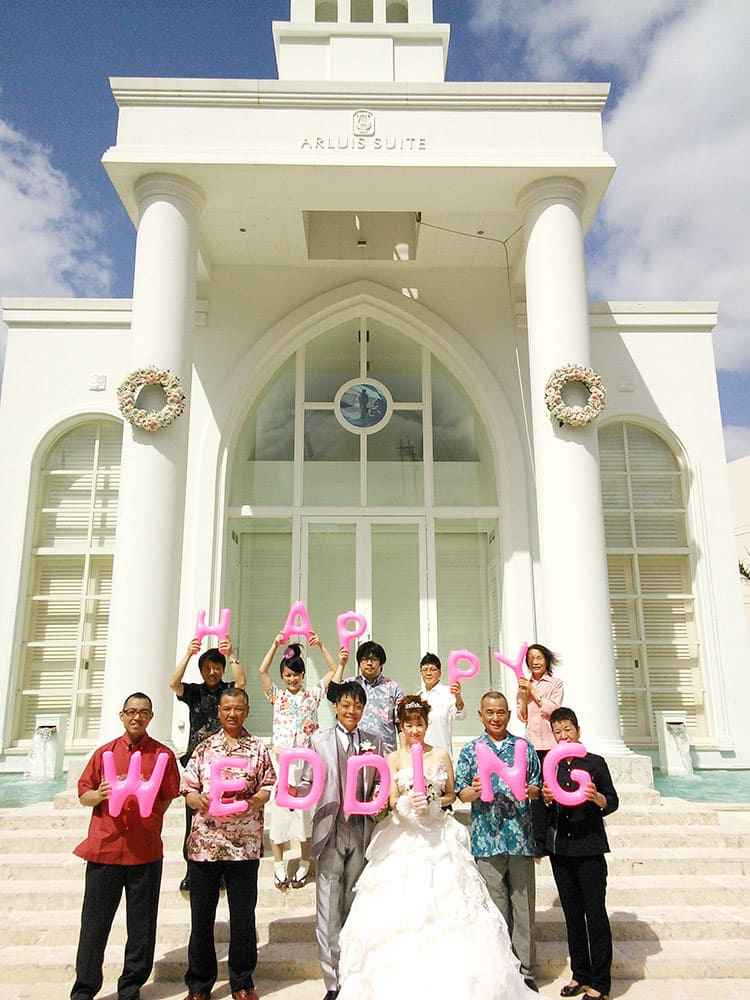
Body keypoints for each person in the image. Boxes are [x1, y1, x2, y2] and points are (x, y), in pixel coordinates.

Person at [337, 695, 539, 1000]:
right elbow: (391, 799)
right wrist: (406, 804)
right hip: (403, 835)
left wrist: (433, 802)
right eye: (409, 725)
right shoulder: (393, 758)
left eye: (419, 724)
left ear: (426, 725)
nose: (414, 730)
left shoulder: (441, 755)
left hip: (438, 832)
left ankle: (517, 969)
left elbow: (451, 795)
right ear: (401, 727)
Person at [70, 692, 180, 1000]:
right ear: (122, 716)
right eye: (131, 711)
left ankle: (130, 988)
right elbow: (84, 794)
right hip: (105, 849)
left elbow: (168, 796)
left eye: (143, 712)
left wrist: (149, 819)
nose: (137, 717)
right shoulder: (105, 753)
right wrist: (100, 795)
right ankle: (84, 989)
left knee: (141, 928)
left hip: (144, 852)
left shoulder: (162, 755)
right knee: (94, 926)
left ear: (151, 717)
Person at [181, 687, 275, 1000]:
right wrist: (197, 799)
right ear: (219, 712)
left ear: (246, 711)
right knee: (201, 917)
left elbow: (268, 786)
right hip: (206, 845)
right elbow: (188, 787)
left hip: (243, 846)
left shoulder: (257, 748)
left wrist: (253, 802)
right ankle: (199, 984)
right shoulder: (205, 748)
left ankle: (242, 982)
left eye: (238, 708)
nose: (232, 714)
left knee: (243, 916)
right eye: (227, 709)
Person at [295, 681, 383, 1000]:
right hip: (331, 828)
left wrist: (378, 798)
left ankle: (354, 972)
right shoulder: (318, 740)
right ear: (336, 707)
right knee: (329, 906)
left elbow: (380, 780)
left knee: (354, 903)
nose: (351, 711)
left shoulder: (374, 740)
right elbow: (308, 781)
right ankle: (333, 982)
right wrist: (295, 793)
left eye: (357, 706)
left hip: (361, 829)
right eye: (346, 705)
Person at [455, 691, 542, 992]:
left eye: (501, 712)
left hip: (520, 838)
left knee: (523, 907)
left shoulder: (523, 748)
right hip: (487, 839)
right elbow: (461, 793)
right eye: (490, 712)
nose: (496, 717)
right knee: (494, 909)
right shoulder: (471, 750)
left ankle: (526, 971)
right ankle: (502, 969)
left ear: (508, 714)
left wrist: (530, 791)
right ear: (480, 715)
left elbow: (537, 787)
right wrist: (476, 790)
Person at [259, 629, 346, 889]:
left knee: (306, 813)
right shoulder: (278, 696)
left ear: (303, 674)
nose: (292, 679)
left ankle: (305, 860)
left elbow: (334, 669)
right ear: (283, 676)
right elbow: (262, 671)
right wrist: (275, 645)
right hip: (284, 762)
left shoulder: (313, 694)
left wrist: (321, 646)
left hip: (308, 763)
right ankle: (278, 863)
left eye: (296, 674)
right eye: (287, 675)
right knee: (280, 811)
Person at [542, 707, 619, 1000]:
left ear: (578, 730)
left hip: (589, 847)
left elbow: (612, 801)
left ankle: (600, 983)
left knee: (595, 914)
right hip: (561, 849)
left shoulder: (594, 763)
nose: (563, 735)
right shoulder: (551, 764)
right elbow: (546, 805)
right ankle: (580, 974)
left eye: (568, 729)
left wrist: (596, 797)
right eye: (557, 731)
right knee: (572, 915)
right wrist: (547, 799)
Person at [169, 634, 246, 891]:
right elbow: (173, 683)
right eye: (207, 668)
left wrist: (231, 654)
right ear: (202, 670)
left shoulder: (228, 692)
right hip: (197, 766)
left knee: (224, 819)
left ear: (222, 670)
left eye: (216, 668)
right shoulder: (194, 692)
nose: (212, 672)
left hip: (225, 765)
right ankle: (191, 870)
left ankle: (222, 870)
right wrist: (189, 654)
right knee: (194, 819)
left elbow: (242, 682)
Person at [517, 643, 564, 855]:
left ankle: (556, 836)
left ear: (546, 660)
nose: (534, 662)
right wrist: (523, 695)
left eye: (538, 658)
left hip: (552, 745)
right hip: (533, 745)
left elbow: (552, 709)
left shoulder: (555, 683)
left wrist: (533, 692)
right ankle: (539, 841)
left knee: (552, 790)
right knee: (535, 792)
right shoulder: (525, 685)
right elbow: (522, 716)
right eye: (530, 659)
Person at [327, 640, 403, 753]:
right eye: (364, 659)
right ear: (359, 663)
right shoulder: (351, 684)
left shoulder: (393, 688)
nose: (369, 663)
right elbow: (332, 694)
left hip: (385, 752)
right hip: (355, 750)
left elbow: (401, 725)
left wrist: (403, 753)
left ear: (381, 663)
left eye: (374, 659)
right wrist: (342, 664)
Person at [418, 651, 465, 756]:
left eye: (432, 669)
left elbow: (460, 715)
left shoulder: (448, 692)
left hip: (442, 754)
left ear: (439, 672)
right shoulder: (418, 697)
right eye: (425, 670)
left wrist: (458, 696)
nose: (428, 673)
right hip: (421, 755)